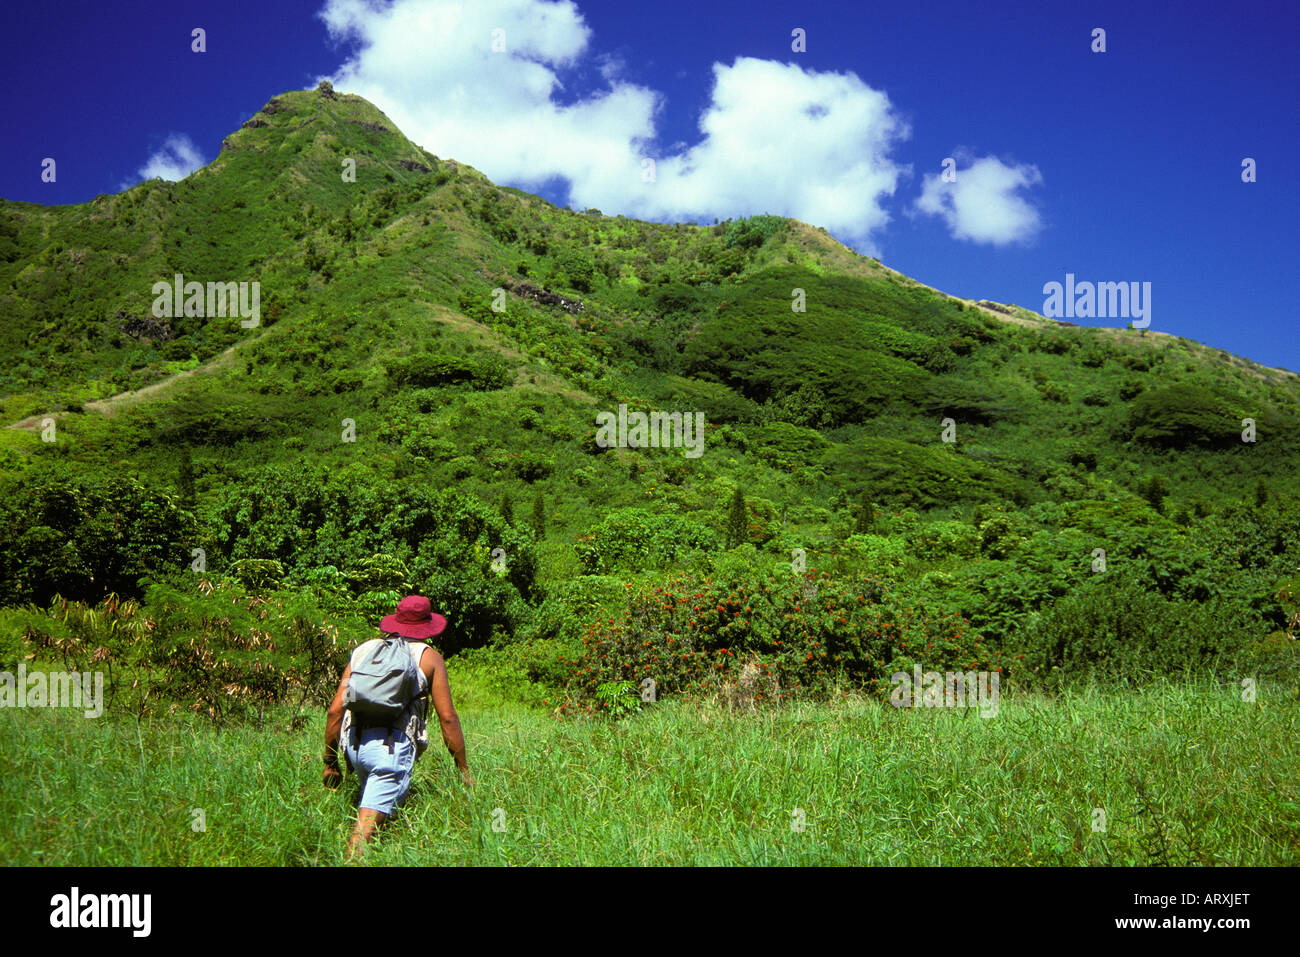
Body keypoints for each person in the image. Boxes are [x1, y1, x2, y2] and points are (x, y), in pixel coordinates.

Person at [322, 595, 474, 858]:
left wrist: (330, 762)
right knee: (363, 836)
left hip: (354, 747)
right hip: (390, 751)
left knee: (384, 828)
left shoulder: (363, 651)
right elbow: (447, 718)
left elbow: (336, 710)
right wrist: (463, 771)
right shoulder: (429, 658)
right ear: (427, 627)